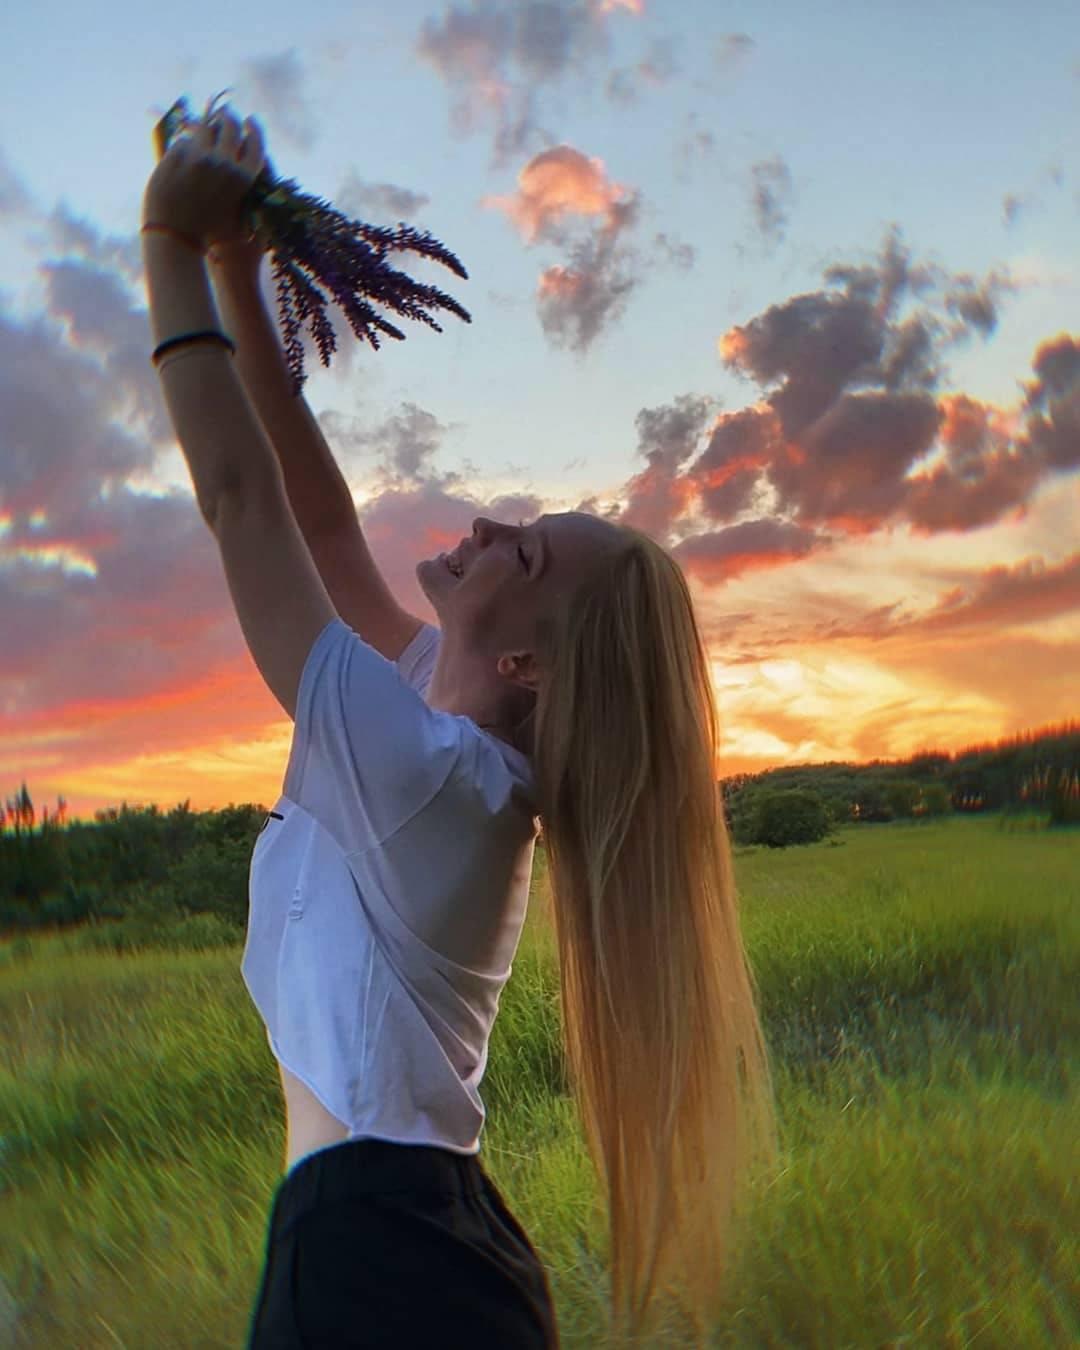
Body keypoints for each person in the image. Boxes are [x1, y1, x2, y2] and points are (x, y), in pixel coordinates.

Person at [140, 107, 779, 1349]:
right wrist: (237, 268)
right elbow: (323, 527)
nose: (485, 525)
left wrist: (166, 240)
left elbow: (242, 505)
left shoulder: (427, 779)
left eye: (519, 552)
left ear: (528, 661)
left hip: (374, 1267)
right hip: (413, 1245)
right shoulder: (452, 743)